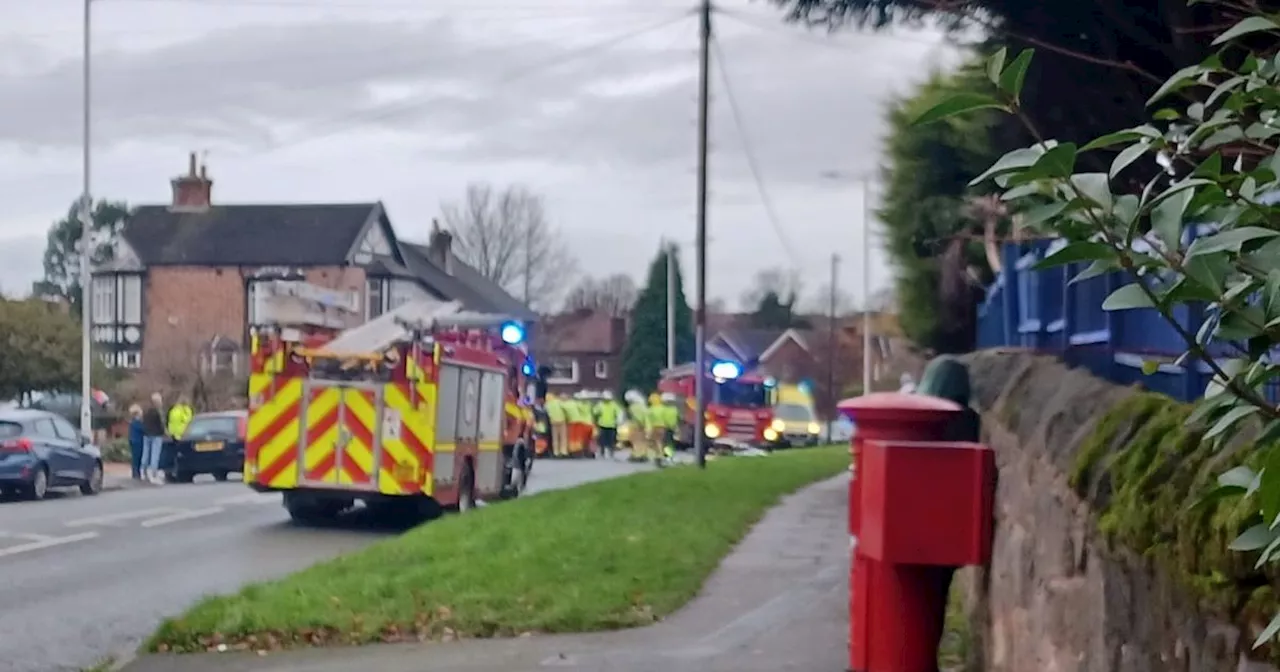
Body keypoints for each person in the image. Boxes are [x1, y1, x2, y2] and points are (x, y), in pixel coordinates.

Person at [913, 355, 981, 665]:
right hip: (950, 533)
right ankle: (927, 659)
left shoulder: (928, 424)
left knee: (918, 608)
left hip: (919, 532)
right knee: (937, 603)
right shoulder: (970, 422)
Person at [140, 393, 166, 484]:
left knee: (145, 453)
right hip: (156, 435)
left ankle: (143, 471)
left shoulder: (146, 411)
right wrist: (164, 432)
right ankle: (153, 474)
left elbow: (143, 422)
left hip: (146, 434)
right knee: (155, 455)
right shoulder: (158, 412)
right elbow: (161, 424)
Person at [593, 390, 623, 460]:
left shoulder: (614, 405)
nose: (606, 400)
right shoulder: (600, 404)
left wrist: (618, 421)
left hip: (612, 425)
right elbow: (595, 412)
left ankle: (611, 453)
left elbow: (619, 413)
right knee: (602, 441)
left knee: (611, 441)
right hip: (602, 425)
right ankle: (602, 453)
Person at [625, 390, 650, 462]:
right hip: (645, 426)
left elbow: (636, 417)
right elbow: (646, 416)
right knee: (643, 441)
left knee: (635, 441)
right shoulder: (643, 405)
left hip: (635, 426)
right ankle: (643, 455)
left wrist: (640, 423)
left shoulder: (632, 407)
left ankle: (636, 455)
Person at [545, 393, 568, 457]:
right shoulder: (559, 402)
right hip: (562, 420)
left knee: (555, 438)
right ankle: (563, 451)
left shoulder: (547, 405)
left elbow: (546, 413)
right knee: (563, 437)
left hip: (553, 422)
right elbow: (565, 409)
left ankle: (556, 452)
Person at [127, 404, 145, 481]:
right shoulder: (137, 422)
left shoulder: (132, 422)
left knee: (135, 457)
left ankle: (135, 472)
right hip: (137, 441)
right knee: (137, 457)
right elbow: (142, 429)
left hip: (133, 440)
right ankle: (136, 473)